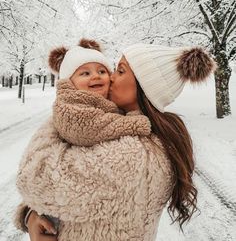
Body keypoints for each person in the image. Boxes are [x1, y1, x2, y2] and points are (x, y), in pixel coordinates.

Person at [14, 42, 216, 241]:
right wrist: (32, 213)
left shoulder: (135, 153)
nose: (110, 76)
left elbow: (36, 179)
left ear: (142, 85)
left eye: (120, 71)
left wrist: (61, 114)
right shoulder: (120, 124)